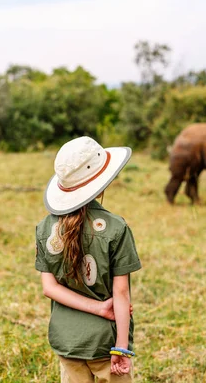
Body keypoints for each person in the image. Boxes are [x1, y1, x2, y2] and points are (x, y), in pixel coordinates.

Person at [35, 136, 142, 382]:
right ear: (101, 183)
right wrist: (122, 348)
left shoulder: (43, 228)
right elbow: (122, 293)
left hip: (67, 340)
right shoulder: (116, 228)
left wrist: (98, 309)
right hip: (106, 343)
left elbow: (49, 288)